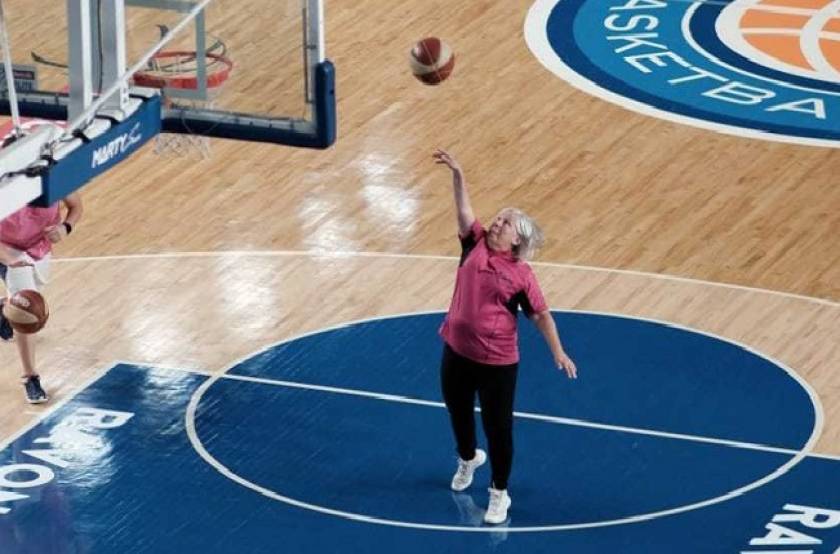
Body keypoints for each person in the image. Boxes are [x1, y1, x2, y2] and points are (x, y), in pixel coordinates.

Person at [433, 149, 577, 525]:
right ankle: (468, 458)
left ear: (517, 240)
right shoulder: (473, 242)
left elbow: (541, 315)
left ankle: (499, 492)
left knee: (498, 429)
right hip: (456, 350)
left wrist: (558, 352)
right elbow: (463, 210)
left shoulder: (521, 275)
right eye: (499, 218)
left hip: (497, 364)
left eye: (506, 223)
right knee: (457, 410)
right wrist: (458, 173)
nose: (497, 223)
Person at [0, 192, 83, 404]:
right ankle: (30, 377)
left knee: (26, 303)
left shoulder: (52, 175)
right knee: (27, 316)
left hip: (40, 248)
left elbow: (76, 207)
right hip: (7, 249)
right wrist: (9, 257)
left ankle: (4, 311)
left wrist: (65, 228)